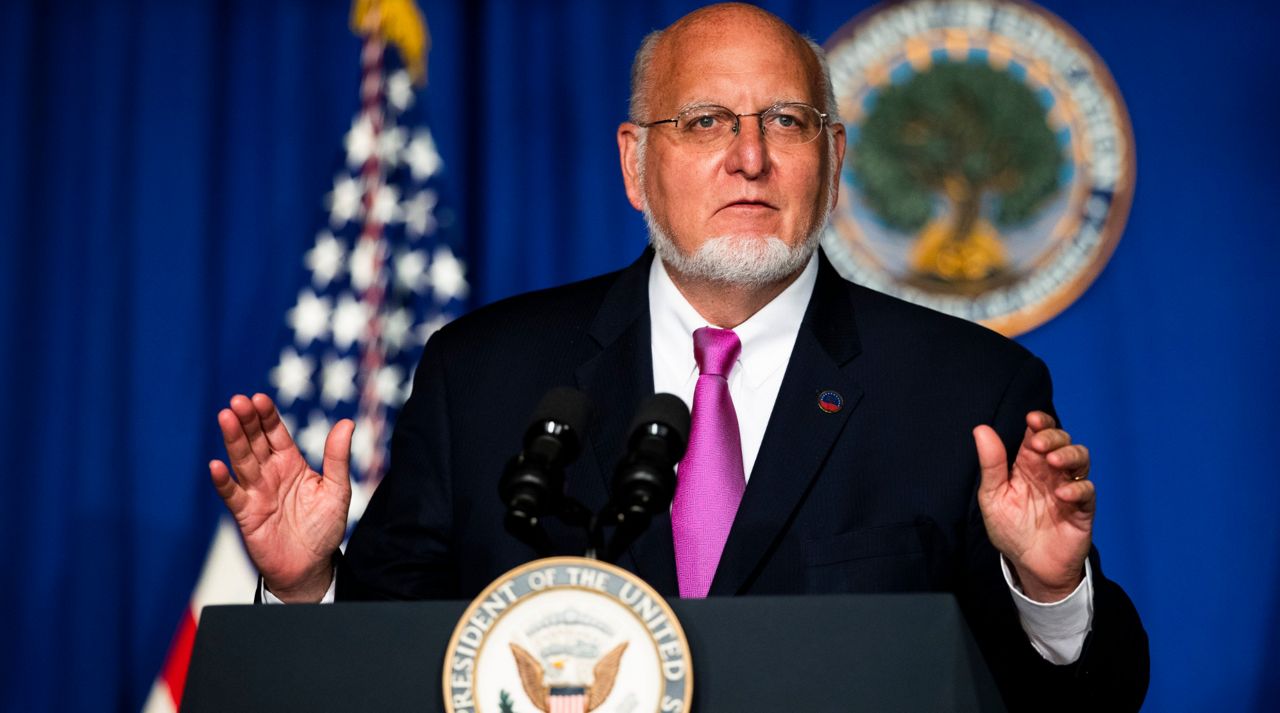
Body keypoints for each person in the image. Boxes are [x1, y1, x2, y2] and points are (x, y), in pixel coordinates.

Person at [210, 3, 1147, 709]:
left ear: (832, 160)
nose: (748, 156)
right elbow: (383, 660)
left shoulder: (965, 391)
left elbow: (1083, 697)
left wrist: (1050, 587)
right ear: (633, 163)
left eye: (784, 121)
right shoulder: (481, 375)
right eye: (704, 122)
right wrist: (306, 587)